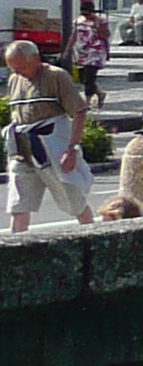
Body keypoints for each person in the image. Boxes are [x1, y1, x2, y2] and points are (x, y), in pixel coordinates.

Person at [6, 38, 95, 230]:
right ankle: (16, 253)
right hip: (22, 151)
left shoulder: (56, 76)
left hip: (51, 149)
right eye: (12, 68)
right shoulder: (15, 79)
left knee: (74, 202)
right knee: (19, 205)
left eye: (21, 67)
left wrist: (72, 149)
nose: (16, 72)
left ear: (35, 59)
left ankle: (94, 240)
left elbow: (79, 112)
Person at [68, 9, 110, 106]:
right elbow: (74, 36)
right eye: (84, 14)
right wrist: (68, 49)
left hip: (96, 52)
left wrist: (97, 27)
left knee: (89, 77)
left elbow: (106, 35)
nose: (86, 16)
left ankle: (87, 102)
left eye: (88, 14)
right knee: (83, 78)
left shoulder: (101, 21)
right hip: (82, 53)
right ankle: (99, 93)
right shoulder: (78, 21)